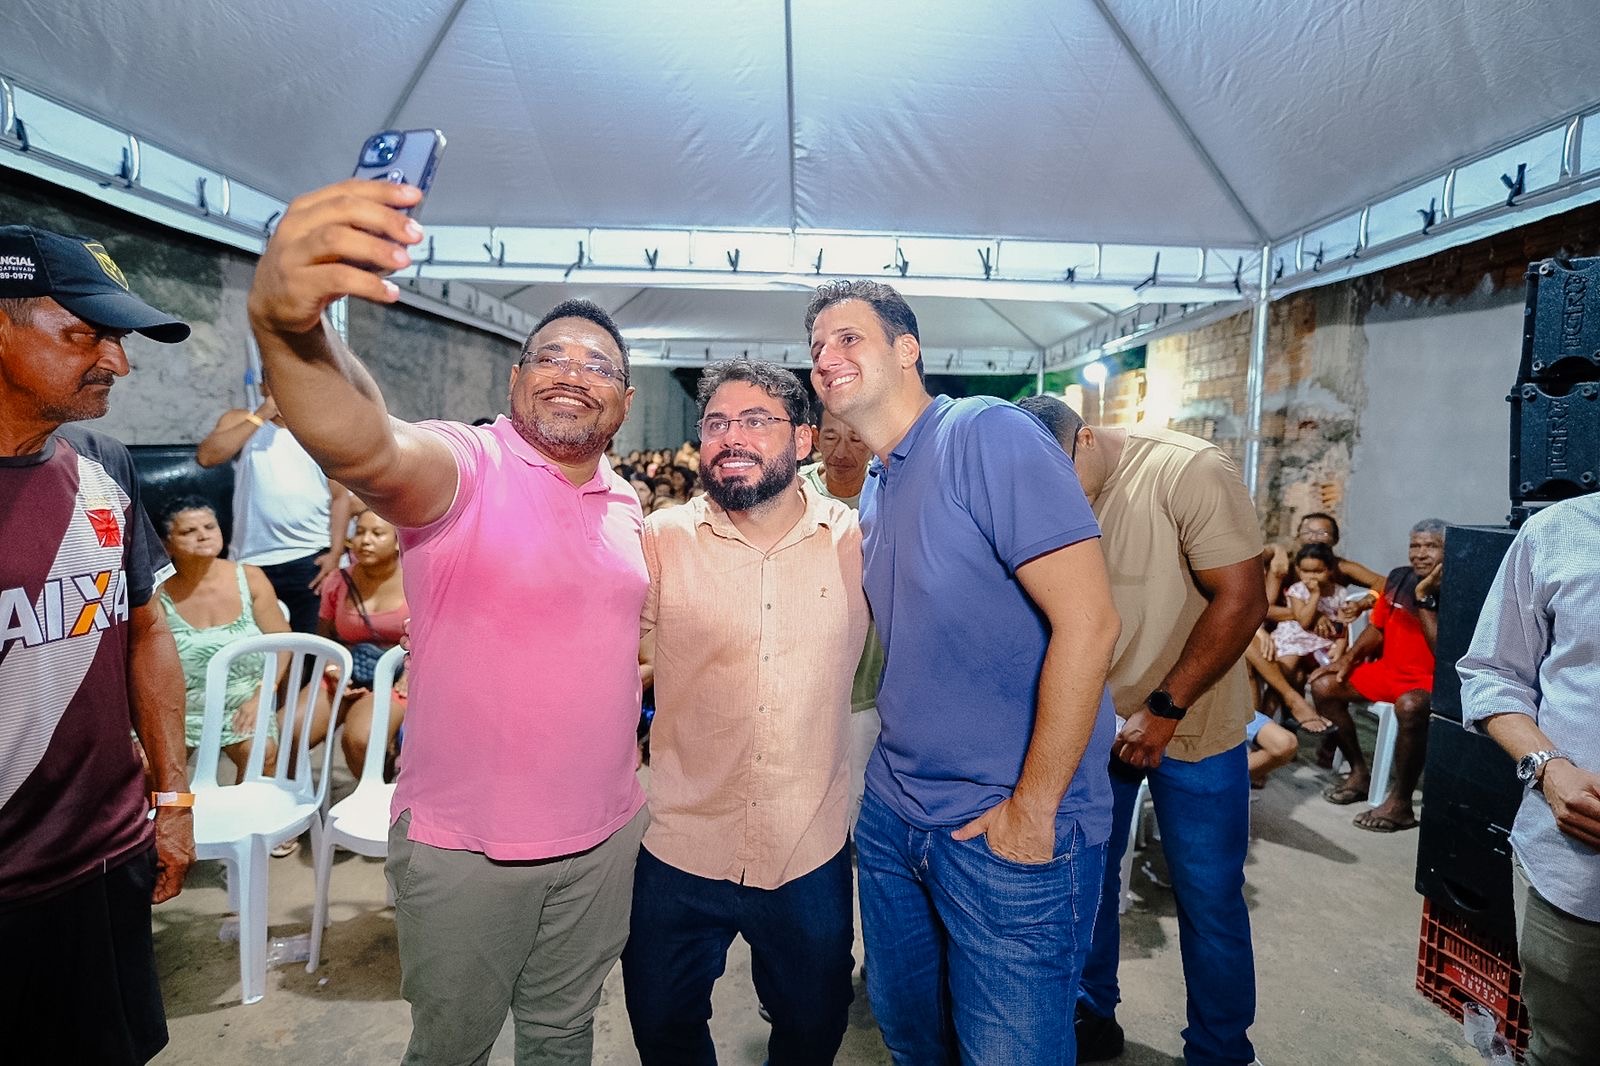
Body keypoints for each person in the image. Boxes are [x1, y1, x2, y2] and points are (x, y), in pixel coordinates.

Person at [247, 179, 649, 1065]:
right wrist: (290, 329)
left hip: (606, 835)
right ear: (515, 380)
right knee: (452, 1048)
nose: (573, 372)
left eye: (598, 366)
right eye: (551, 356)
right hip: (469, 851)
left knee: (563, 1033)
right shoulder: (466, 469)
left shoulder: (627, 505)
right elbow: (368, 444)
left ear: (624, 403)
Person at [808, 280, 1120, 1064]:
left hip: (1000, 826)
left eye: (848, 337)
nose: (826, 356)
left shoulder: (985, 432)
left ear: (907, 350)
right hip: (894, 816)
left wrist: (1033, 809)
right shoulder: (878, 482)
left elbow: (1090, 623)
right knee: (913, 1041)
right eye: (816, 347)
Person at [623, 360, 869, 1064]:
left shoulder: (856, 542)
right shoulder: (661, 540)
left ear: (803, 439)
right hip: (681, 840)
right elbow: (609, 656)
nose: (732, 437)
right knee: (661, 1025)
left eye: (757, 421)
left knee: (813, 1030)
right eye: (717, 423)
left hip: (806, 848)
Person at [1019, 394, 1268, 1065]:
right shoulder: (1042, 483)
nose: (1050, 499)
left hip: (1191, 722)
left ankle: (1220, 1050)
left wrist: (1165, 708)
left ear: (1086, 439)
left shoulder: (1187, 470)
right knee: (1086, 885)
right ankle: (1093, 1014)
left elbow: (1244, 599)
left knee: (1207, 895)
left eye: (1059, 477)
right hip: (1091, 726)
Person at [0, 224, 195, 1064]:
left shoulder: (102, 463)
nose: (118, 362)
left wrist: (172, 801)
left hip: (106, 855)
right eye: (84, 335)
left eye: (118, 339)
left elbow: (146, 628)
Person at [1458, 496, 1600, 1066]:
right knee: (1566, 1048)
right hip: (1580, 871)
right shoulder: (1559, 532)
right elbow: (1491, 673)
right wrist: (1549, 768)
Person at [1309, 518, 1446, 831]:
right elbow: (1377, 627)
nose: (1420, 553)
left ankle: (1400, 802)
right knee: (1323, 686)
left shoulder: (1459, 587)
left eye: (1431, 546)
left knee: (1410, 707)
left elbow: (1443, 651)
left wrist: (1424, 598)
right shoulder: (1399, 578)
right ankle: (1359, 772)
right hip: (1389, 672)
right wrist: (1348, 658)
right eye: (1415, 545)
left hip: (1428, 682)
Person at [195, 382, 353, 633]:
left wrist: (335, 553)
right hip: (252, 559)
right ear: (262, 387)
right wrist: (261, 415)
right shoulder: (241, 420)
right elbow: (207, 457)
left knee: (310, 645)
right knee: (256, 645)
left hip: (310, 557)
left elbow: (340, 497)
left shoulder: (321, 429)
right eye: (274, 380)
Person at [157, 497, 287, 783]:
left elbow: (283, 642)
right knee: (148, 766)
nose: (203, 535)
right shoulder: (158, 592)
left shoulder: (250, 578)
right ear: (167, 545)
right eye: (188, 531)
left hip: (243, 702)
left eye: (209, 527)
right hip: (178, 708)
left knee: (261, 753)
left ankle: (246, 814)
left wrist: (263, 696)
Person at [800, 407, 885, 821]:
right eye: (832, 438)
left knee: (855, 798)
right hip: (803, 679)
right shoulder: (795, 494)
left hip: (866, 679)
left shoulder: (886, 493)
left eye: (856, 439)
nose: (843, 451)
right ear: (815, 437)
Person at [317, 509, 409, 777]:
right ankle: (296, 798)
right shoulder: (338, 581)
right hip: (346, 670)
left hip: (401, 675)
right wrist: (333, 668)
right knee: (290, 731)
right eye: (359, 532)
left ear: (398, 542)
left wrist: (412, 673)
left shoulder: (417, 578)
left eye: (377, 533)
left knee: (360, 739)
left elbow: (435, 637)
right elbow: (324, 637)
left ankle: (378, 793)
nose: (366, 540)